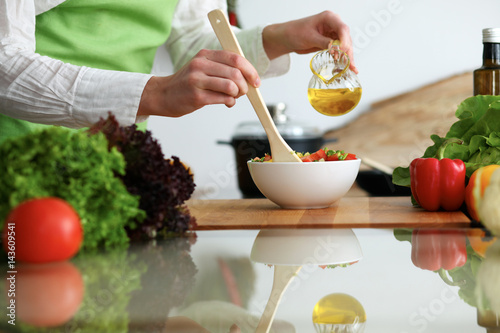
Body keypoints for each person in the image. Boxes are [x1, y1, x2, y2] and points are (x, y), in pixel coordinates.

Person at [0, 0, 357, 143]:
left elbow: (192, 35)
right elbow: (4, 63)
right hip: (21, 159)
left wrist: (278, 38)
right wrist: (154, 93)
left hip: (115, 163)